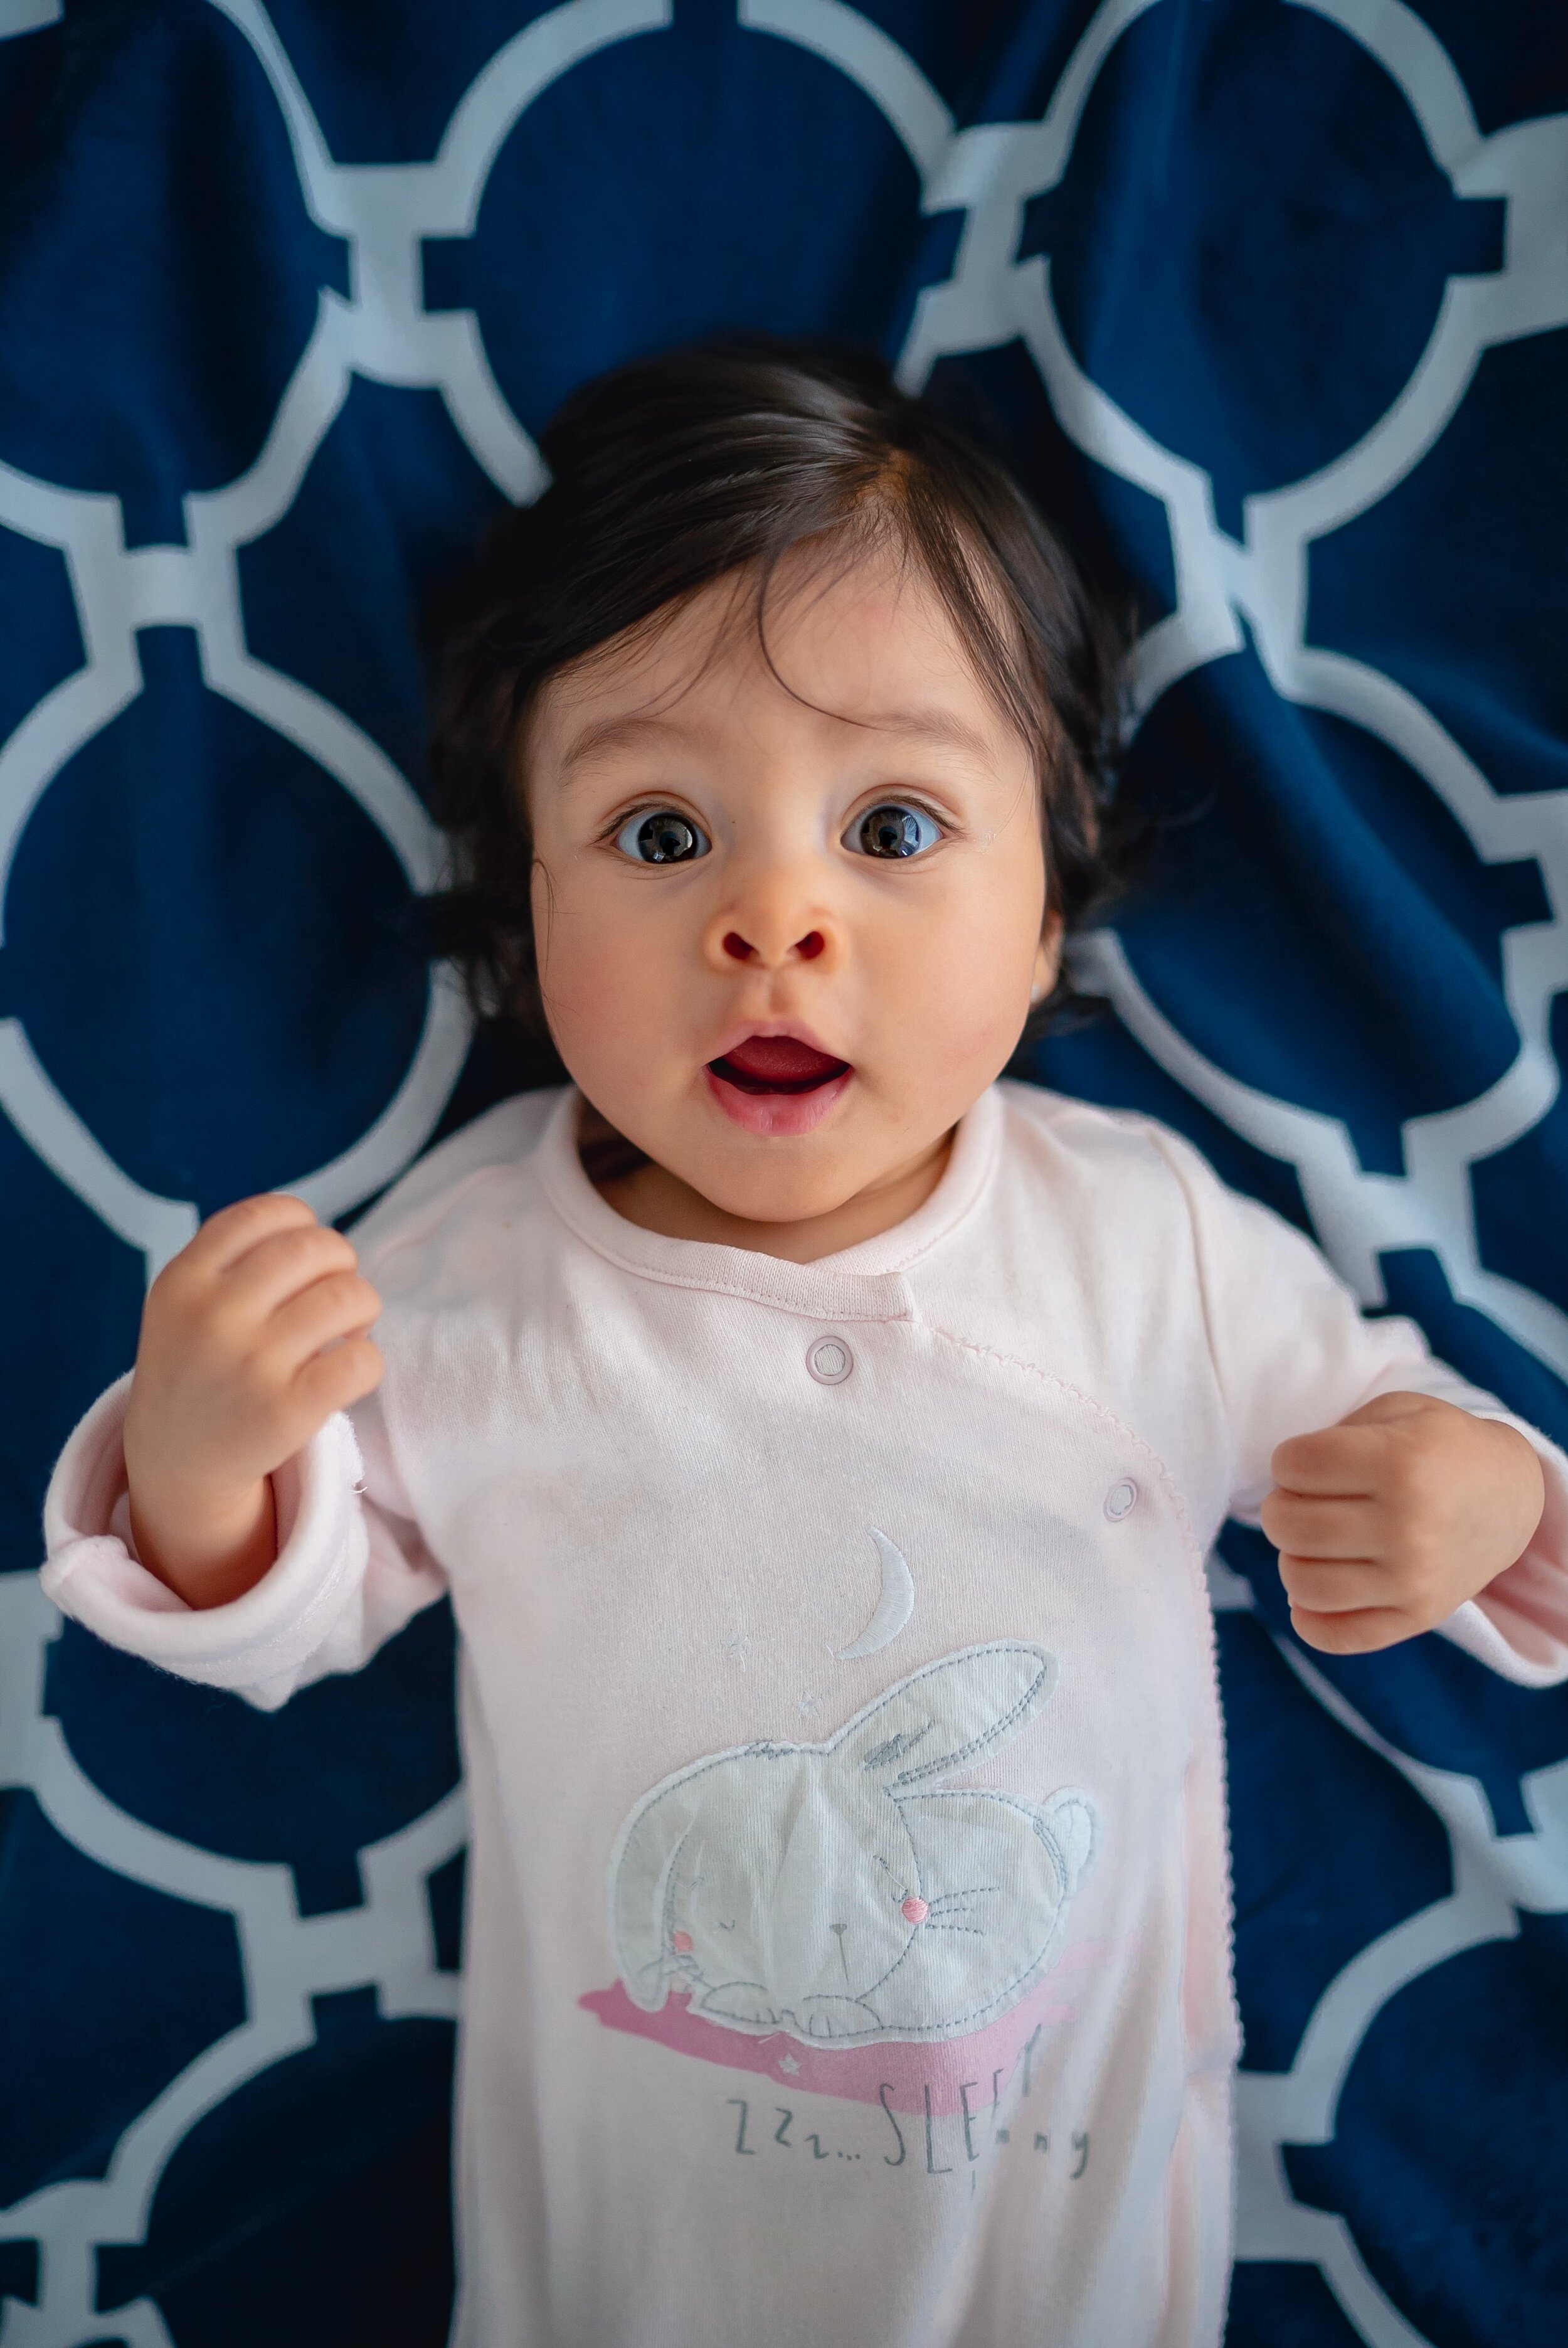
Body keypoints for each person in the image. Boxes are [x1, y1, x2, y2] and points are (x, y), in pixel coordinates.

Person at [41, 346, 1568, 2348]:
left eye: (896, 826)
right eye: (662, 836)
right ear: (528, 897)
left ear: (1043, 914)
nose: (774, 913)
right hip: (626, 2281)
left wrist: (1480, 1490)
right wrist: (204, 1450)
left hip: (1073, 2260)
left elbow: (1394, 1418)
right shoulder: (471, 1270)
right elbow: (283, 1607)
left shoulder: (1136, 1242)